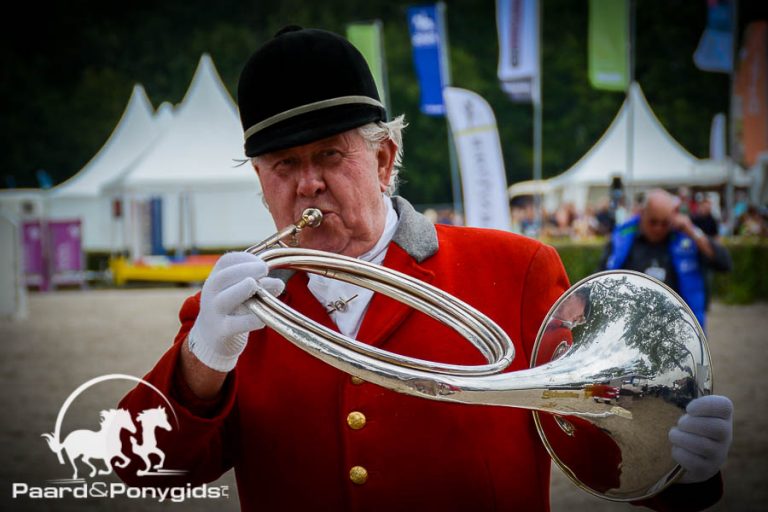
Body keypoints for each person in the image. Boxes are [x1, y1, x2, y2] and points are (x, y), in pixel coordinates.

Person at [118, 28, 733, 511]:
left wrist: (681, 469)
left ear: (384, 160)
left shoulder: (516, 269)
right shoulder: (234, 306)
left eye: (330, 155)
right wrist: (201, 363)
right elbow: (137, 470)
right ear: (260, 181)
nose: (307, 183)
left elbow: (599, 442)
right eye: (282, 165)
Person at [600, 188, 732, 329]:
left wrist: (692, 231)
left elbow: (724, 263)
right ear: (642, 214)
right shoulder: (623, 237)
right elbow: (601, 276)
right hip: (632, 325)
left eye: (664, 223)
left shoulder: (686, 238)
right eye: (653, 222)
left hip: (679, 327)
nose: (658, 228)